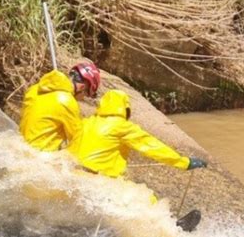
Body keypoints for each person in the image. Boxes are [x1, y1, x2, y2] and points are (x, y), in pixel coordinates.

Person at [68, 89, 207, 178]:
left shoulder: (86, 122)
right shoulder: (122, 127)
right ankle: (166, 225)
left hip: (72, 174)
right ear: (125, 109)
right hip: (98, 178)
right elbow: (152, 147)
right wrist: (184, 162)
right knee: (146, 200)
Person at [19, 62, 100, 151]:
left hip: (19, 148)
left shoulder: (34, 89)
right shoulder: (67, 102)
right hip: (39, 157)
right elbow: (77, 140)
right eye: (86, 94)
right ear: (82, 87)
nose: (82, 99)